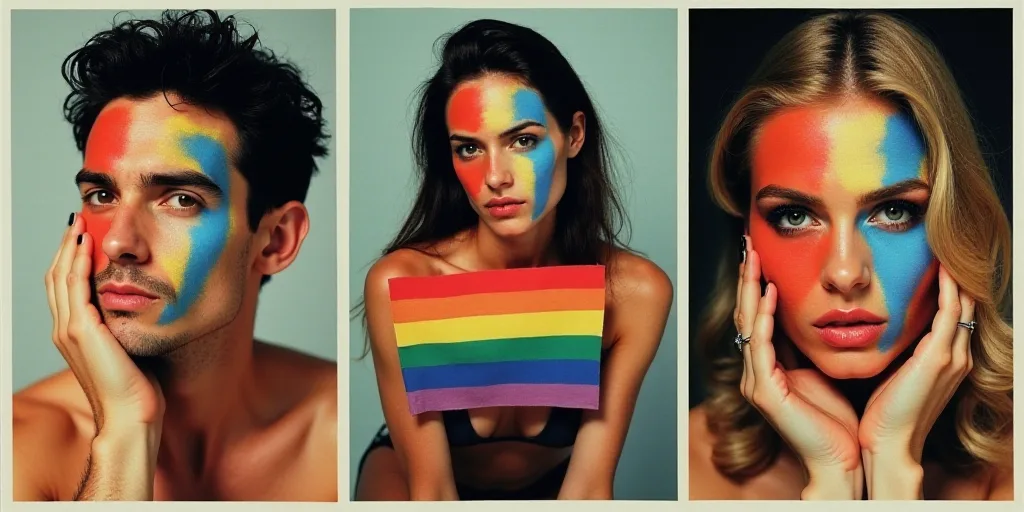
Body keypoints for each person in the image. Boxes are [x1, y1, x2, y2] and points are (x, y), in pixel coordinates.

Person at [12, 10, 337, 501]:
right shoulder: (18, 447)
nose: (120, 242)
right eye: (102, 195)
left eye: (181, 200)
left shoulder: (335, 431)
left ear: (275, 241)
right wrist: (125, 428)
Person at [688, 11, 1012, 500]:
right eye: (795, 216)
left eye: (895, 211)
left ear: (957, 223)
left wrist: (893, 464)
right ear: (745, 236)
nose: (844, 273)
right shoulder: (691, 467)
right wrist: (833, 477)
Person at [352, 19, 674, 501]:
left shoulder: (634, 292)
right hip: (416, 482)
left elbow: (588, 488)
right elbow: (432, 491)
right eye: (469, 148)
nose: (496, 177)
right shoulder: (404, 282)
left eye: (523, 140)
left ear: (574, 135)